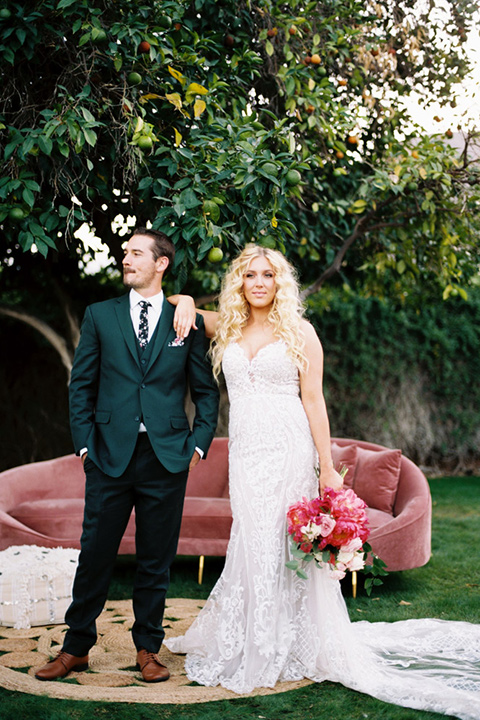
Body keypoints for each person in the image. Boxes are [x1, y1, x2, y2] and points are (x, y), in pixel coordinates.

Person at [166, 245, 480, 719]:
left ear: (280, 282)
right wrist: (187, 300)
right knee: (251, 538)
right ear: (239, 281)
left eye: (268, 275)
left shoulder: (300, 332)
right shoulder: (225, 324)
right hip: (247, 452)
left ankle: (284, 640)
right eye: (249, 274)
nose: (258, 283)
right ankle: (254, 632)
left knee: (285, 543)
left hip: (289, 448)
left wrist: (327, 466)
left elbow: (313, 401)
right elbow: (173, 302)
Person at [35, 227, 219, 683]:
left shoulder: (185, 318)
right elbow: (81, 386)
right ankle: (75, 647)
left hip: (167, 457)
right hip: (108, 456)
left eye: (136, 253)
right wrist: (84, 446)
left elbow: (206, 391)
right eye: (124, 253)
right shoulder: (101, 314)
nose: (126, 259)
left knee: (156, 559)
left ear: (161, 263)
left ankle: (148, 650)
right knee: (95, 553)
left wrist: (197, 445)